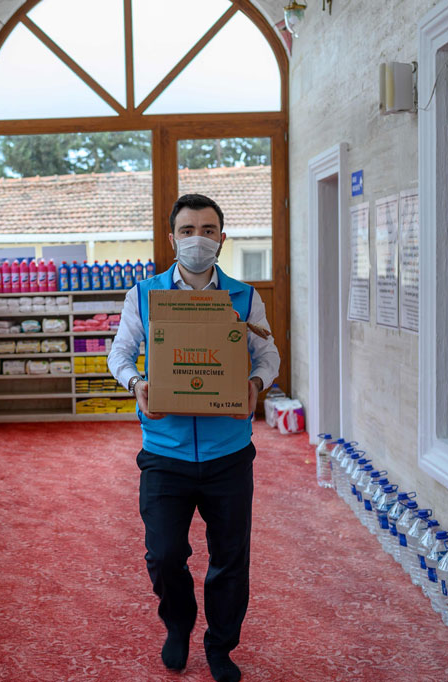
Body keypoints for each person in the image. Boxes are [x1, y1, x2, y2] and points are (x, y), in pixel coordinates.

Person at [107, 194, 280, 682]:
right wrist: (136, 384)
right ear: (172, 238)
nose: (197, 240)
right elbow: (120, 353)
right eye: (187, 231)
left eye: (207, 230)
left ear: (221, 239)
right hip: (165, 451)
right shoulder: (145, 295)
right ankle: (178, 625)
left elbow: (269, 356)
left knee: (230, 559)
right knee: (164, 554)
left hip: (229, 453)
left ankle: (221, 646)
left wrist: (256, 383)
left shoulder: (244, 297)